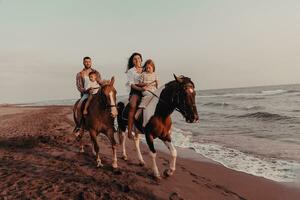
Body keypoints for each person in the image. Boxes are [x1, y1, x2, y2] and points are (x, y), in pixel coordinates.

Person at [74, 56, 102, 132]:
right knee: (79, 106)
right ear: (83, 63)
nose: (88, 63)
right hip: (86, 93)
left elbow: (100, 82)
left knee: (107, 101)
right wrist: (87, 90)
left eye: (89, 61)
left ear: (91, 62)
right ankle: (79, 125)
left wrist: (105, 83)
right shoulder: (80, 74)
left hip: (97, 92)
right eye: (86, 62)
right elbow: (79, 87)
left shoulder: (96, 72)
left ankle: (110, 123)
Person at [125, 52, 145, 139]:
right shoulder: (130, 71)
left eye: (138, 58)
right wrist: (140, 89)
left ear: (141, 59)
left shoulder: (145, 68)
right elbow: (132, 84)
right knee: (132, 105)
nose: (137, 60)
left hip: (147, 90)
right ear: (132, 61)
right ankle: (129, 131)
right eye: (135, 59)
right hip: (135, 91)